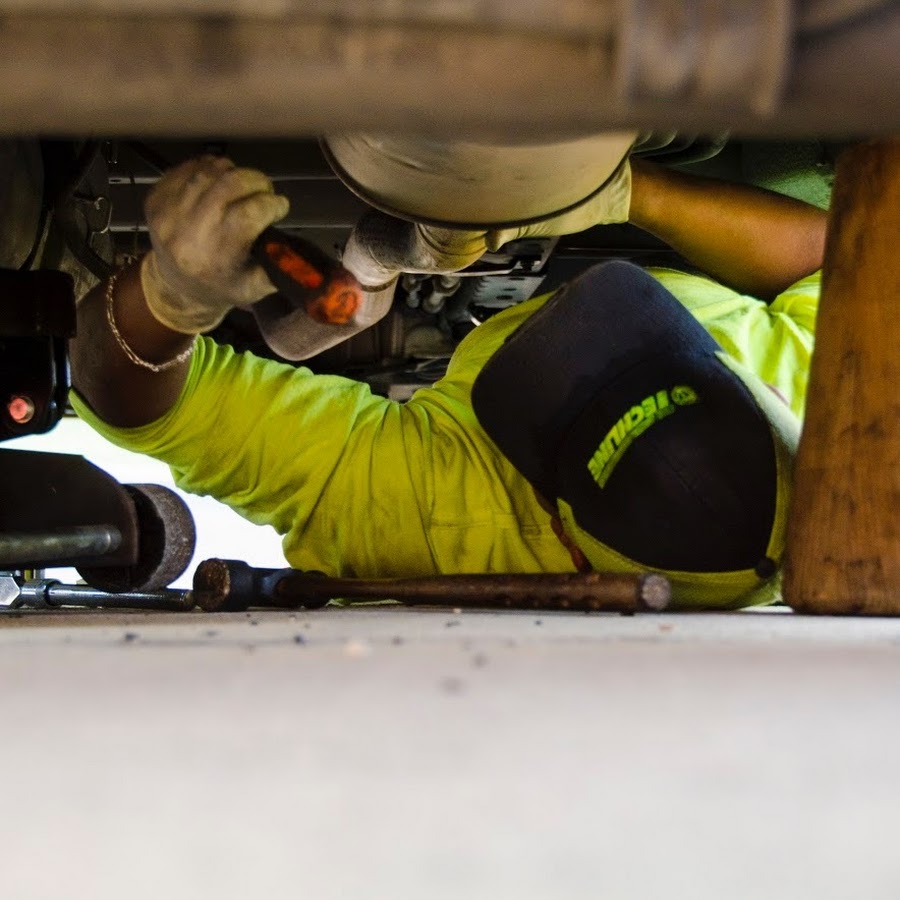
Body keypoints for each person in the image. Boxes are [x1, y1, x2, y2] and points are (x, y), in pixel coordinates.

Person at [69, 154, 826, 609]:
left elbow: (140, 405)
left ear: (562, 527)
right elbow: (842, 256)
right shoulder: (839, 403)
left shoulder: (449, 522)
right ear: (766, 403)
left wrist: (172, 295)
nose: (561, 316)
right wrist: (623, 192)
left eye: (560, 370)